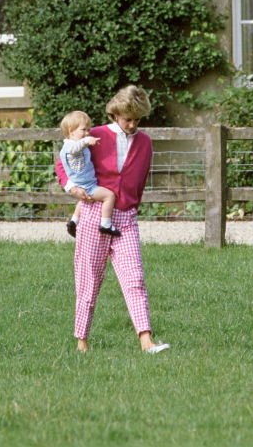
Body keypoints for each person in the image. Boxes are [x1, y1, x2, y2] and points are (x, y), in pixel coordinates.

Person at [56, 85, 170, 354]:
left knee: (135, 278)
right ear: (115, 114)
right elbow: (63, 162)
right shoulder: (93, 136)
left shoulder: (145, 142)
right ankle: (82, 341)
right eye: (127, 119)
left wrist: (133, 204)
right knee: (89, 279)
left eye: (137, 120)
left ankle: (146, 340)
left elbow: (140, 178)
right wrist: (70, 187)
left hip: (126, 218)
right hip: (94, 212)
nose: (132, 125)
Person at [59, 111, 119, 237]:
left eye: (88, 130)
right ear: (71, 131)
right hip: (87, 185)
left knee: (83, 201)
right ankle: (106, 224)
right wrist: (87, 141)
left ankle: (74, 221)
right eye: (83, 129)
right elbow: (74, 149)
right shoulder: (70, 147)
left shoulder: (71, 145)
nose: (87, 133)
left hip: (81, 184)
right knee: (109, 196)